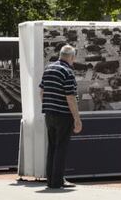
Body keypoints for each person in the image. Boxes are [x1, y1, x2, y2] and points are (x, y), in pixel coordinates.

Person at [39, 44, 83, 189]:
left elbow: (42, 91)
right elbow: (70, 97)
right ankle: (57, 182)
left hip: (49, 114)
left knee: (52, 147)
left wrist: (49, 106)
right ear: (71, 57)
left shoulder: (49, 68)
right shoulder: (67, 71)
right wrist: (77, 119)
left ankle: (51, 180)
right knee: (61, 148)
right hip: (64, 115)